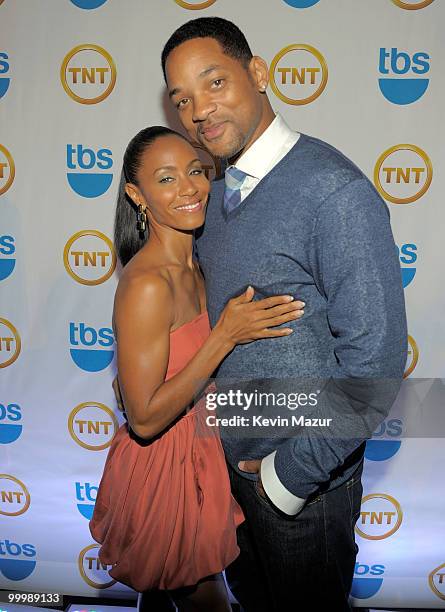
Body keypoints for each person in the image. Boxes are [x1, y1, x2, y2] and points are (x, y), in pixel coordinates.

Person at [161, 17, 408, 611]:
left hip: (303, 489)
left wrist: (288, 479)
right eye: (182, 100)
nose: (199, 111)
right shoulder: (214, 199)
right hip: (225, 482)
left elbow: (375, 363)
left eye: (214, 83)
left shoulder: (332, 190)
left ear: (259, 73)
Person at [89, 125, 305, 612]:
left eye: (195, 171)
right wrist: (223, 336)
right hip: (164, 464)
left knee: (165, 593)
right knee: (205, 599)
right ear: (135, 195)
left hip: (202, 450)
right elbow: (143, 418)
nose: (189, 188)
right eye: (166, 179)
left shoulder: (201, 262)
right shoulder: (147, 284)